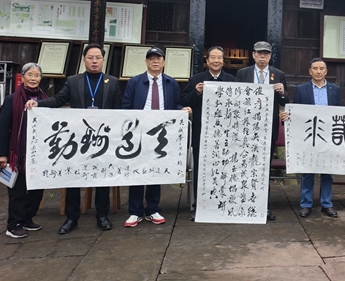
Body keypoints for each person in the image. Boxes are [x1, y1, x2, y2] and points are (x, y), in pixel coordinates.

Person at [26, 43, 121, 234]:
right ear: (84, 60)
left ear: (103, 60)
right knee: (73, 177)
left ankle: (102, 215)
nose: (94, 61)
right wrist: (39, 104)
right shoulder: (74, 80)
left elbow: (120, 109)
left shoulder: (112, 82)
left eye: (98, 58)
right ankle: (72, 218)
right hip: (78, 139)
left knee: (102, 177)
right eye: (90, 58)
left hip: (103, 139)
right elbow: (59, 100)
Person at [121, 47, 191, 228]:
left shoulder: (171, 83)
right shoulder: (134, 82)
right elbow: (125, 106)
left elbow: (175, 105)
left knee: (156, 171)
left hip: (161, 134)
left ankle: (153, 209)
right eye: (151, 58)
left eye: (158, 58)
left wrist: (182, 110)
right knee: (136, 171)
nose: (155, 61)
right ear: (146, 62)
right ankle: (135, 211)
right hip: (138, 133)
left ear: (164, 62)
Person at [180, 46, 237, 221]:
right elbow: (184, 101)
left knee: (225, 169)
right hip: (202, 133)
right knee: (200, 170)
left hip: (225, 136)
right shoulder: (196, 79)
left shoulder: (232, 80)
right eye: (213, 57)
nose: (216, 61)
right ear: (207, 60)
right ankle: (199, 205)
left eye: (219, 58)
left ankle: (223, 203)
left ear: (223, 61)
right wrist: (196, 93)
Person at [236, 41, 289, 221]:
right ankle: (242, 203)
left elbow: (286, 100)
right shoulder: (243, 73)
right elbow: (235, 98)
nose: (262, 56)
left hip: (268, 127)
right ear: (253, 55)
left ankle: (262, 205)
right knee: (244, 165)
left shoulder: (278, 74)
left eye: (266, 53)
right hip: (246, 128)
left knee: (264, 167)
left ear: (270, 56)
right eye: (259, 53)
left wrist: (282, 93)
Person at [0, 63, 48, 238]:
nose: (33, 79)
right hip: (18, 154)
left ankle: (27, 218)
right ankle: (13, 225)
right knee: (18, 191)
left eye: (37, 75)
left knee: (36, 190)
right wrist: (2, 154)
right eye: (30, 75)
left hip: (37, 153)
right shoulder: (12, 100)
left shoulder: (45, 99)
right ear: (23, 77)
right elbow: (3, 129)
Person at [292, 58, 340, 218]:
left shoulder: (334, 89)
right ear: (310, 71)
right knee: (308, 171)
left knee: (327, 171)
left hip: (328, 135)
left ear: (326, 71)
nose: (318, 71)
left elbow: (338, 113)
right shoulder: (301, 89)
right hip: (308, 135)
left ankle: (327, 204)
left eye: (321, 69)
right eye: (315, 68)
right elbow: (296, 112)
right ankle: (306, 204)